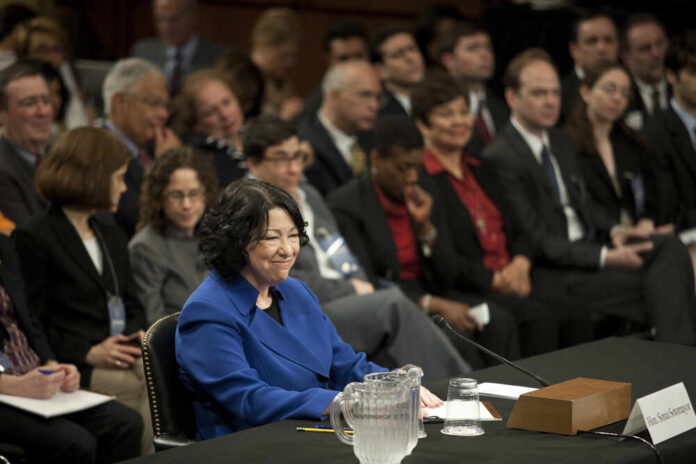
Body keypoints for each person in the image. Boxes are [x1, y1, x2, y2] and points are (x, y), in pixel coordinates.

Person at [176, 179, 443, 438]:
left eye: (293, 236)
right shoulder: (207, 312)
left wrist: (392, 385)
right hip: (252, 445)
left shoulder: (296, 291)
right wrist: (343, 401)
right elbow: (249, 400)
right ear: (236, 241)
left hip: (318, 430)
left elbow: (344, 364)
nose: (288, 250)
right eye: (272, 238)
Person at [483, 48, 696, 343]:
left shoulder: (558, 141)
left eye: (555, 93)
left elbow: (582, 203)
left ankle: (675, 353)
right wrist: (606, 256)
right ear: (512, 98)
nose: (550, 101)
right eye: (539, 93)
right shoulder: (501, 156)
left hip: (592, 243)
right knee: (665, 287)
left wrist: (618, 230)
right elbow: (536, 238)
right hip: (557, 268)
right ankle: (679, 359)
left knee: (669, 248)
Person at [246, 115, 471, 378]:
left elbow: (338, 250)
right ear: (253, 163)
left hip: (344, 298)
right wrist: (351, 288)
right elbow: (280, 278)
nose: (294, 167)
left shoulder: (308, 194)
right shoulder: (251, 208)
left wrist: (358, 283)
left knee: (394, 303)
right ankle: (460, 387)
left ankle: (433, 396)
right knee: (392, 305)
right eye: (281, 159)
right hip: (300, 311)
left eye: (297, 157)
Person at [329, 115, 553, 362]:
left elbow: (448, 271)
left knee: (499, 322)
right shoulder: (348, 204)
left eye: (416, 167)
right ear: (376, 159)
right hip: (395, 302)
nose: (412, 177)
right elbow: (369, 282)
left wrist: (426, 228)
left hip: (436, 289)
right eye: (403, 168)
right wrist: (431, 304)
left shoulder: (423, 191)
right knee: (458, 341)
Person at [12, 127, 152, 453]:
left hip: (119, 353)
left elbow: (132, 303)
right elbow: (32, 320)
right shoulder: (34, 236)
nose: (124, 187)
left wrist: (130, 338)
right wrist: (88, 352)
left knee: (162, 373)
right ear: (94, 178)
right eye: (118, 177)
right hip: (75, 361)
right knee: (140, 388)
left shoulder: (110, 230)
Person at [0, 234, 143, 464]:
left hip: (29, 375)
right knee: (75, 442)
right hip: (5, 390)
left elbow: (28, 318)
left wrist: (52, 365)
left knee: (125, 423)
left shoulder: (3, 244)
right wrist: (12, 385)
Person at [564, 63, 666, 232]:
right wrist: (616, 230)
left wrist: (648, 221)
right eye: (609, 89)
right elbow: (580, 202)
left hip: (637, 232)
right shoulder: (566, 144)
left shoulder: (633, 144)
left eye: (625, 93)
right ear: (586, 93)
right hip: (595, 238)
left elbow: (653, 195)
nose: (618, 98)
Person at [129, 147, 219, 325]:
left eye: (194, 194)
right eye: (176, 195)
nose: (186, 205)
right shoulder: (145, 247)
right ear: (159, 197)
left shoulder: (215, 235)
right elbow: (154, 324)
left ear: (206, 195)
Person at [102, 57, 181, 237]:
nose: (163, 114)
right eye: (154, 103)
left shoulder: (156, 148)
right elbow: (132, 218)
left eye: (166, 106)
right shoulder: (98, 150)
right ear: (119, 102)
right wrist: (164, 168)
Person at [298, 60, 380, 196]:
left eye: (377, 97)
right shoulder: (304, 144)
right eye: (365, 95)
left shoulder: (374, 139)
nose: (374, 106)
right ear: (334, 95)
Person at [439, 21, 508, 157]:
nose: (484, 54)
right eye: (473, 48)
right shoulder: (438, 107)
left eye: (488, 48)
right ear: (449, 61)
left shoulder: (503, 107)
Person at [130, 0, 226, 96]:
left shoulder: (218, 56)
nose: (166, 27)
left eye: (173, 20)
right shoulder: (143, 52)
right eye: (160, 20)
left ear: (193, 17)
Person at [13, 16, 92, 128]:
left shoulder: (66, 85)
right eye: (42, 50)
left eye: (57, 50)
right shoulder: (11, 90)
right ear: (24, 55)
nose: (51, 58)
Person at [173, 69, 246, 187]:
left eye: (227, 102)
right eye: (210, 112)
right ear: (196, 123)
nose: (225, 115)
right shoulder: (201, 160)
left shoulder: (261, 133)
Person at [0, 60, 52, 225]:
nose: (42, 112)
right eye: (29, 103)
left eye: (46, 100)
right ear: (2, 114)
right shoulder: (2, 169)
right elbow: (28, 235)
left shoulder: (64, 157)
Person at [560, 11, 619, 122]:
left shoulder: (631, 91)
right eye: (592, 41)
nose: (602, 48)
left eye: (608, 40)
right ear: (574, 49)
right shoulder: (560, 96)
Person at [250, 7, 304, 121]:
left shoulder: (283, 84)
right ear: (264, 44)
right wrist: (282, 119)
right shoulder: (241, 81)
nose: (291, 63)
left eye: (293, 56)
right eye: (284, 55)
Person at [620, 14, 670, 131]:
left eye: (660, 44)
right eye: (645, 48)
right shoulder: (621, 98)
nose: (656, 54)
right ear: (626, 59)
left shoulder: (684, 90)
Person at [371, 26, 425, 118]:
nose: (409, 58)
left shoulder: (442, 96)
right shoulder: (377, 111)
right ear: (380, 71)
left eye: (412, 49)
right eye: (397, 55)